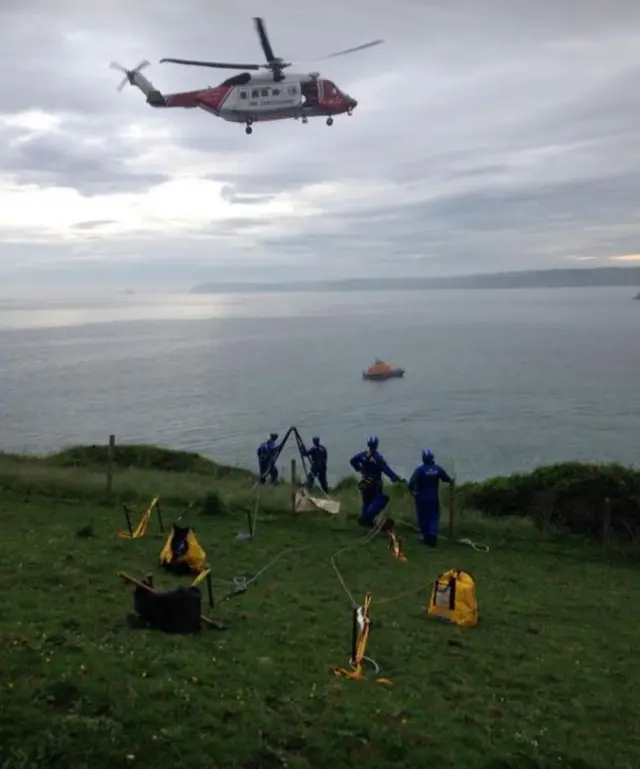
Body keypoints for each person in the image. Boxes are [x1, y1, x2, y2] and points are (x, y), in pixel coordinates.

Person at [349, 435, 404, 528]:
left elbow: (352, 460)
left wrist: (359, 468)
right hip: (375, 483)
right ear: (377, 445)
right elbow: (386, 469)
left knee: (366, 501)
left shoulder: (363, 454)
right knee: (379, 500)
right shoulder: (378, 458)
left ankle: (366, 520)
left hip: (364, 482)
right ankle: (367, 518)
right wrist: (396, 479)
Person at [407, 448, 453, 547]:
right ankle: (432, 535)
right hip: (433, 498)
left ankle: (425, 537)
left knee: (423, 518)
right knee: (434, 517)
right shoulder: (437, 469)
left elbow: (410, 483)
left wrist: (413, 492)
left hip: (421, 498)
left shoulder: (420, 470)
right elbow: (447, 479)